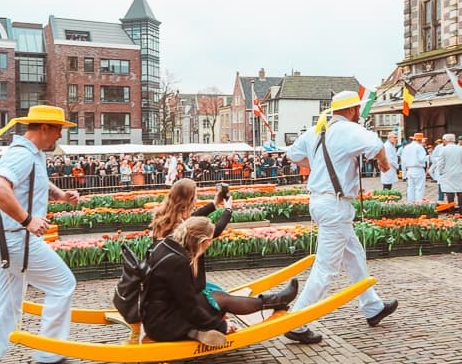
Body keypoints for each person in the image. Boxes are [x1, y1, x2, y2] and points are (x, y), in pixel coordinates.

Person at [0, 105, 83, 364]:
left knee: (8, 303)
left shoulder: (33, 153)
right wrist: (27, 219)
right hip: (14, 237)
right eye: (58, 130)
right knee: (62, 283)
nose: (59, 136)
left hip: (5, 237)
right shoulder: (21, 154)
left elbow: (36, 180)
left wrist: (60, 195)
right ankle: (49, 357)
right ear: (44, 128)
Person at [283, 90, 397, 344]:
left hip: (321, 200)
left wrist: (318, 166)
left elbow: (292, 154)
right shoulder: (347, 129)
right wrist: (384, 164)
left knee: (354, 254)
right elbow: (376, 145)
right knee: (326, 268)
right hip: (335, 204)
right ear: (354, 110)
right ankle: (297, 322)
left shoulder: (317, 130)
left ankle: (372, 306)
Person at [143, 216, 298, 346]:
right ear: (201, 240)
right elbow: (189, 306)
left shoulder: (162, 245)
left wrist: (197, 255)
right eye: (209, 240)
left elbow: (197, 287)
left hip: (155, 314)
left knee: (214, 295)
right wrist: (221, 326)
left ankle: (275, 301)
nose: (210, 244)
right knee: (219, 301)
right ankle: (275, 301)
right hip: (165, 324)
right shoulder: (178, 262)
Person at [435, 134, 462, 214]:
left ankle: (451, 210)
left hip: (447, 173)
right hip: (458, 172)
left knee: (449, 191)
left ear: (446, 140)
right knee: (460, 190)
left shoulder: (443, 149)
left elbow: (440, 163)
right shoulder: (460, 149)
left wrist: (440, 172)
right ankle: (461, 209)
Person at [401, 133, 427, 203]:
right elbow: (422, 159)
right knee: (419, 188)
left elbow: (403, 159)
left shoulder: (406, 147)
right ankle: (418, 203)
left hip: (409, 169)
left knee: (410, 187)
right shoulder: (419, 147)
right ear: (420, 140)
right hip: (418, 169)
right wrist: (428, 157)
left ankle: (410, 203)